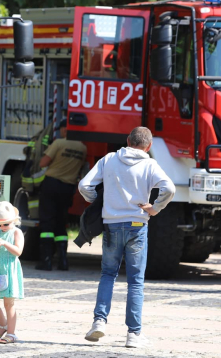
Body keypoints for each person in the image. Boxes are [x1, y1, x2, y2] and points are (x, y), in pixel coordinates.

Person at [78, 126, 175, 349]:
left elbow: (85, 185)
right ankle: (134, 334)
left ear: (127, 140)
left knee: (108, 274)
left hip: (111, 225)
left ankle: (98, 322)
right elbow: (169, 188)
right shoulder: (150, 164)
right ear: (148, 146)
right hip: (137, 226)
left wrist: (97, 201)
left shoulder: (109, 159)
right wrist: (155, 208)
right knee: (135, 281)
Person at [35, 119, 87, 271]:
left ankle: (46, 261)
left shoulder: (59, 143)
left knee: (47, 223)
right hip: (68, 188)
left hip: (51, 184)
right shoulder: (82, 148)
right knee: (61, 224)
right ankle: (63, 261)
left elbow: (43, 163)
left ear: (65, 130)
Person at [0, 201, 24, 344]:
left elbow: (18, 252)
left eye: (5, 224)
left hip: (10, 268)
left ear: (13, 221)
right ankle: (3, 324)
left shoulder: (16, 232)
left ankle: (12, 333)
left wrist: (5, 243)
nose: (2, 227)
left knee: (9, 303)